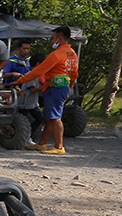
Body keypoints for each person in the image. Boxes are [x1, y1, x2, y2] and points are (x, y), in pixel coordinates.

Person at [15, 26, 78, 155]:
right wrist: (70, 86)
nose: (51, 41)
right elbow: (74, 73)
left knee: (55, 117)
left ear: (59, 39)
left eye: (53, 38)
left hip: (55, 88)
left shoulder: (56, 55)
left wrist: (21, 80)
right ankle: (42, 143)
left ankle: (59, 147)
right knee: (49, 117)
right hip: (62, 87)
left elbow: (38, 70)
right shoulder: (72, 53)